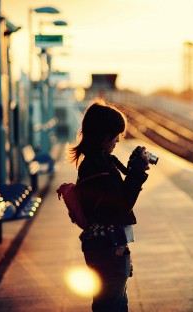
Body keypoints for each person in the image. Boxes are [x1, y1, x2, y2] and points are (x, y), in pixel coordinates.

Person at [66, 100, 150, 311]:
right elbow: (121, 205)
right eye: (115, 134)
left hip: (109, 248)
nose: (117, 140)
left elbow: (115, 198)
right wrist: (137, 173)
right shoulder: (95, 166)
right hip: (108, 251)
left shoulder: (98, 161)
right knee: (111, 306)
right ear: (101, 135)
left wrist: (132, 171)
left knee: (114, 305)